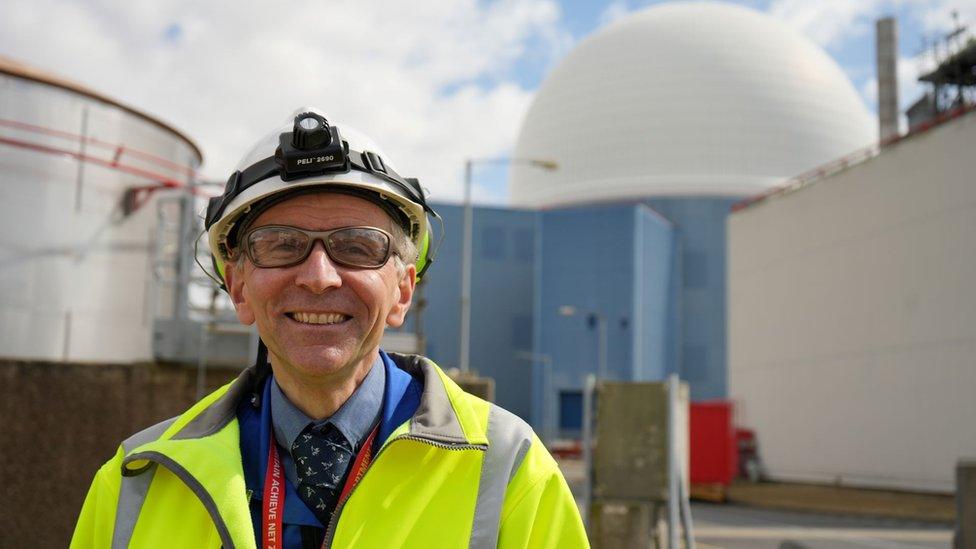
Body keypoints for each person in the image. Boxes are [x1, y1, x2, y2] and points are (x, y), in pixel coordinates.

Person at [71, 108, 588, 548]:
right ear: (239, 288)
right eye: (280, 244)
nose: (319, 277)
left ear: (402, 291)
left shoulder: (510, 469)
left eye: (358, 247)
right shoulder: (136, 482)